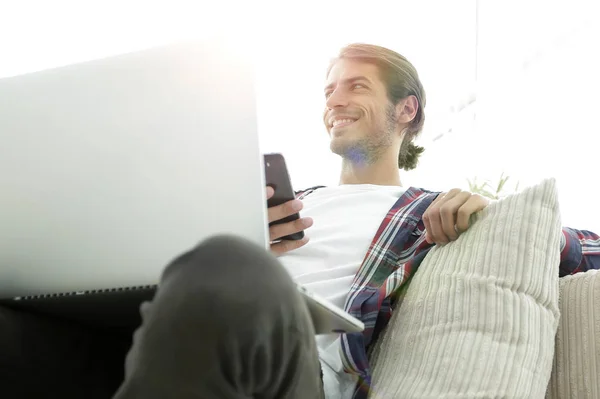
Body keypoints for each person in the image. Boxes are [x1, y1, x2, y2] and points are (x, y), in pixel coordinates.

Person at [1, 43, 598, 399]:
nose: (334, 100)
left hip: (294, 370)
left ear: (406, 109)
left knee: (232, 270)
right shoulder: (266, 199)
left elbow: (587, 252)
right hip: (173, 335)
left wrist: (492, 216)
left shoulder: (425, 210)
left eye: (356, 86)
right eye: (329, 89)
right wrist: (226, 229)